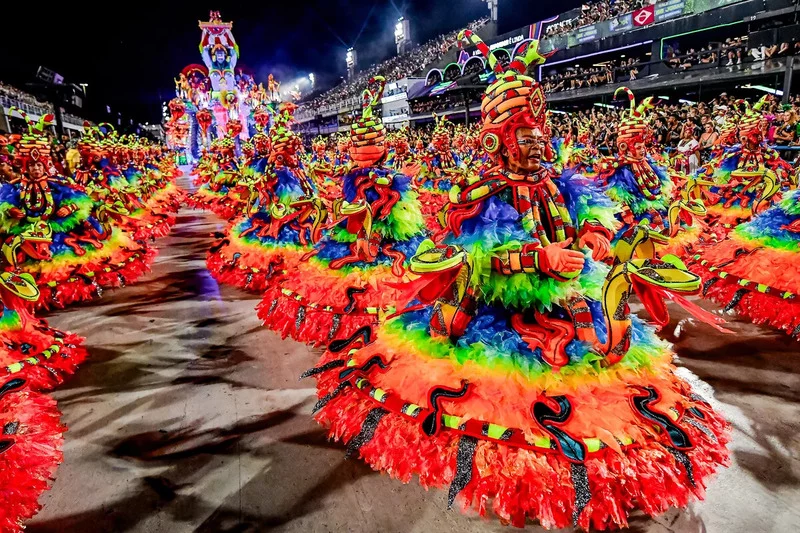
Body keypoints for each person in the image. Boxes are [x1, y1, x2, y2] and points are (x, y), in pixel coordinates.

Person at [306, 30, 729, 530]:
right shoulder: (480, 188)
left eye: (541, 135)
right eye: (528, 138)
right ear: (498, 138)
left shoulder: (555, 180)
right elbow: (477, 256)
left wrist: (592, 234)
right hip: (501, 311)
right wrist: (539, 259)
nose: (539, 145)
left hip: (571, 299)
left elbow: (587, 212)